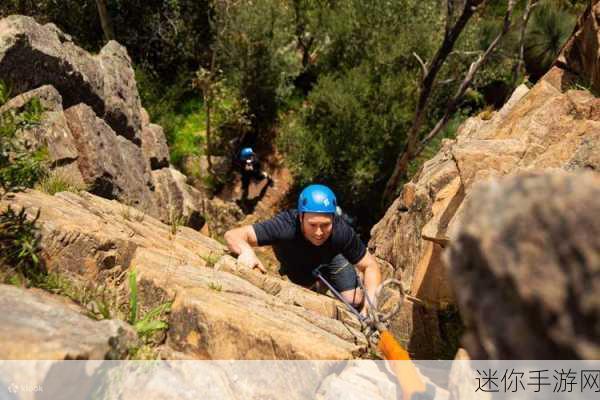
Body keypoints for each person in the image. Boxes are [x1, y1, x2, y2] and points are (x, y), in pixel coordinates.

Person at [224, 184, 382, 312]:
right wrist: (247, 252)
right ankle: (318, 285)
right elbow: (233, 235)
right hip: (298, 262)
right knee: (305, 296)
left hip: (332, 257)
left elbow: (370, 266)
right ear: (300, 217)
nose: (319, 232)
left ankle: (332, 279)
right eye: (312, 225)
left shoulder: (341, 231)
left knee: (353, 300)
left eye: (325, 225)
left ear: (333, 219)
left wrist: (370, 306)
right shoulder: (284, 226)